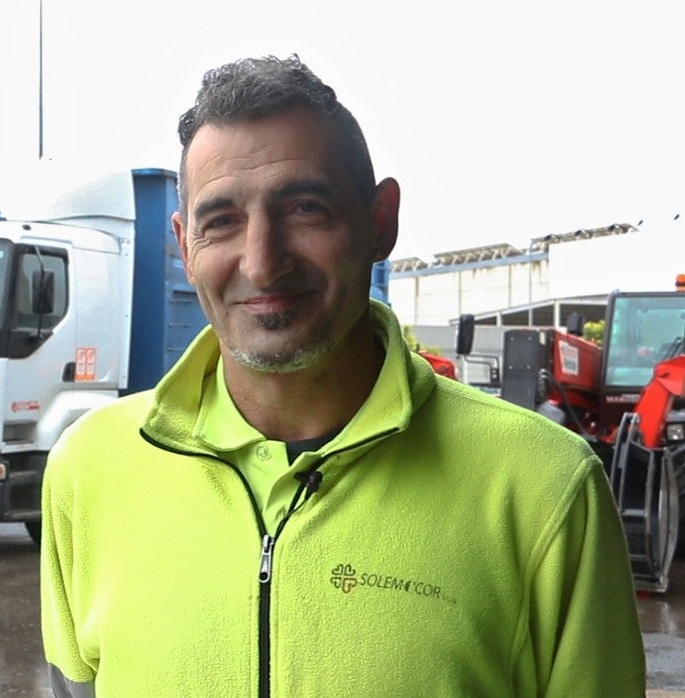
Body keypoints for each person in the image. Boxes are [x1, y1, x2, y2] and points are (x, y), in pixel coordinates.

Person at [39, 54, 645, 696]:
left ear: (380, 222)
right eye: (222, 221)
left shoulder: (544, 487)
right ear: (185, 245)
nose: (263, 262)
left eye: (305, 208)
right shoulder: (90, 469)